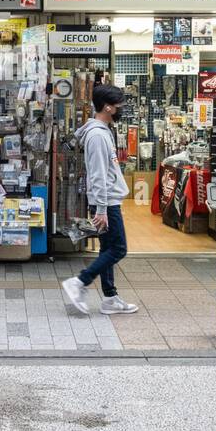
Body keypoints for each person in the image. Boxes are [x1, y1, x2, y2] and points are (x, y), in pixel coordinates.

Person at [61, 83, 138, 316]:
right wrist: (102, 209)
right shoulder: (97, 136)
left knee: (107, 248)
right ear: (108, 107)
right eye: (119, 105)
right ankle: (80, 282)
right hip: (107, 203)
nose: (122, 108)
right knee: (118, 249)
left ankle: (110, 297)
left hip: (106, 201)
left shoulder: (101, 131)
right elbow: (97, 175)